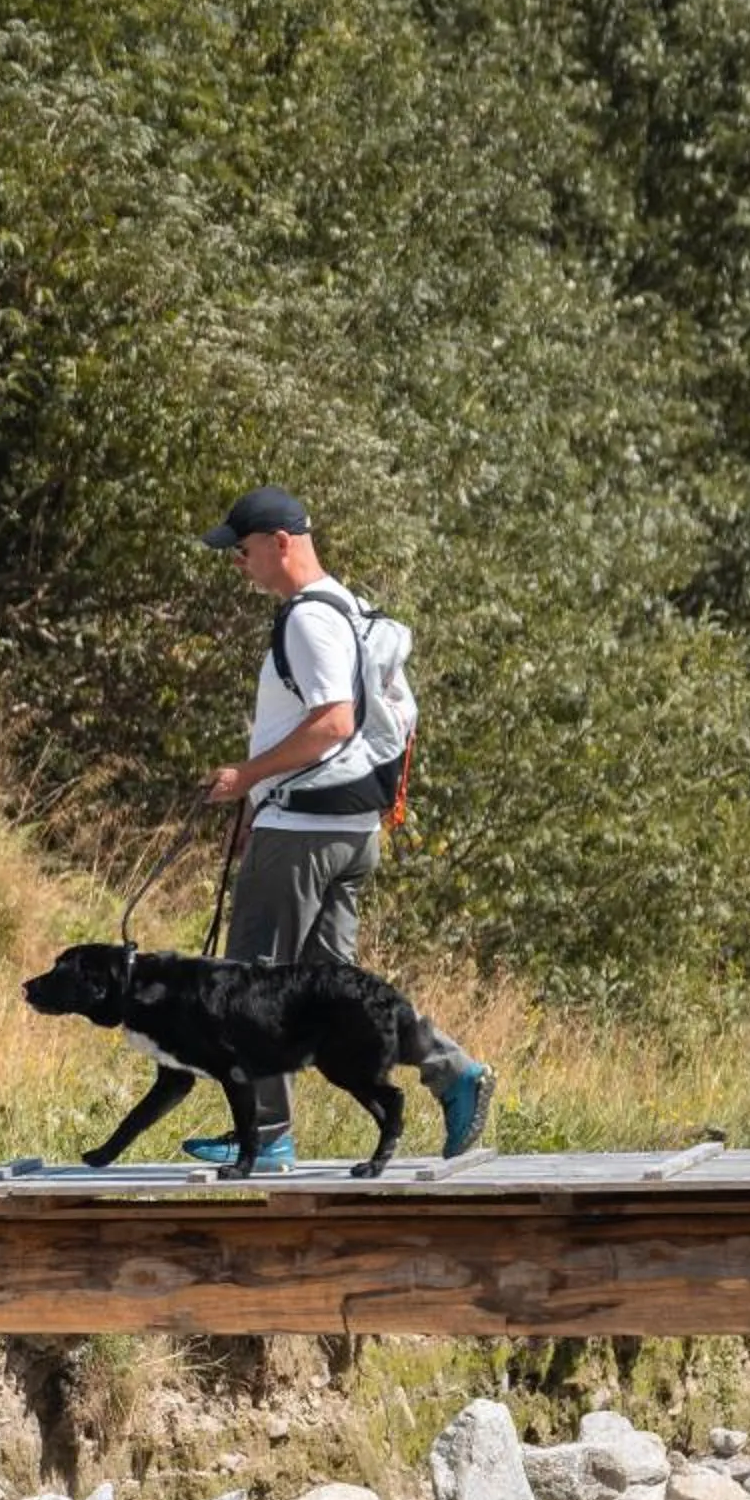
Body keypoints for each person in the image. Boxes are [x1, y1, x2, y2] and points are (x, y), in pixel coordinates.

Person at [189, 484, 494, 1170]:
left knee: (251, 985)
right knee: (335, 986)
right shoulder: (350, 609)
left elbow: (331, 720)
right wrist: (255, 801)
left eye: (242, 549)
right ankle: (454, 1072)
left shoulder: (306, 620)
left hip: (303, 830)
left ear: (281, 544)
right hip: (348, 825)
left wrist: (246, 777)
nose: (237, 561)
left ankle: (264, 1136)